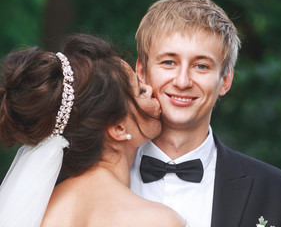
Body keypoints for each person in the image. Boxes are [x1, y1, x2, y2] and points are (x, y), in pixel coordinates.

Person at [130, 0, 281, 227]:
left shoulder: (280, 194)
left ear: (225, 80)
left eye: (201, 66)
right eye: (169, 62)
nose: (182, 81)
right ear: (141, 72)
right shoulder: (84, 182)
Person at [0, 34, 186, 227]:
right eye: (140, 91)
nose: (150, 89)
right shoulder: (157, 221)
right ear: (119, 128)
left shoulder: (37, 212)